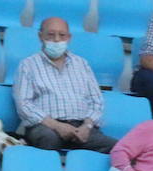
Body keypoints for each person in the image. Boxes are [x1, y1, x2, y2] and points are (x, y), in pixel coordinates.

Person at [13, 17, 117, 154]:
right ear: (40, 36)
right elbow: (24, 104)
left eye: (62, 35)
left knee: (117, 147)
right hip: (46, 126)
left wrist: (87, 126)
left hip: (81, 126)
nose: (56, 39)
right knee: (48, 139)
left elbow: (97, 101)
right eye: (50, 35)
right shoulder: (28, 65)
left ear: (69, 38)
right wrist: (57, 126)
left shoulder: (81, 64)